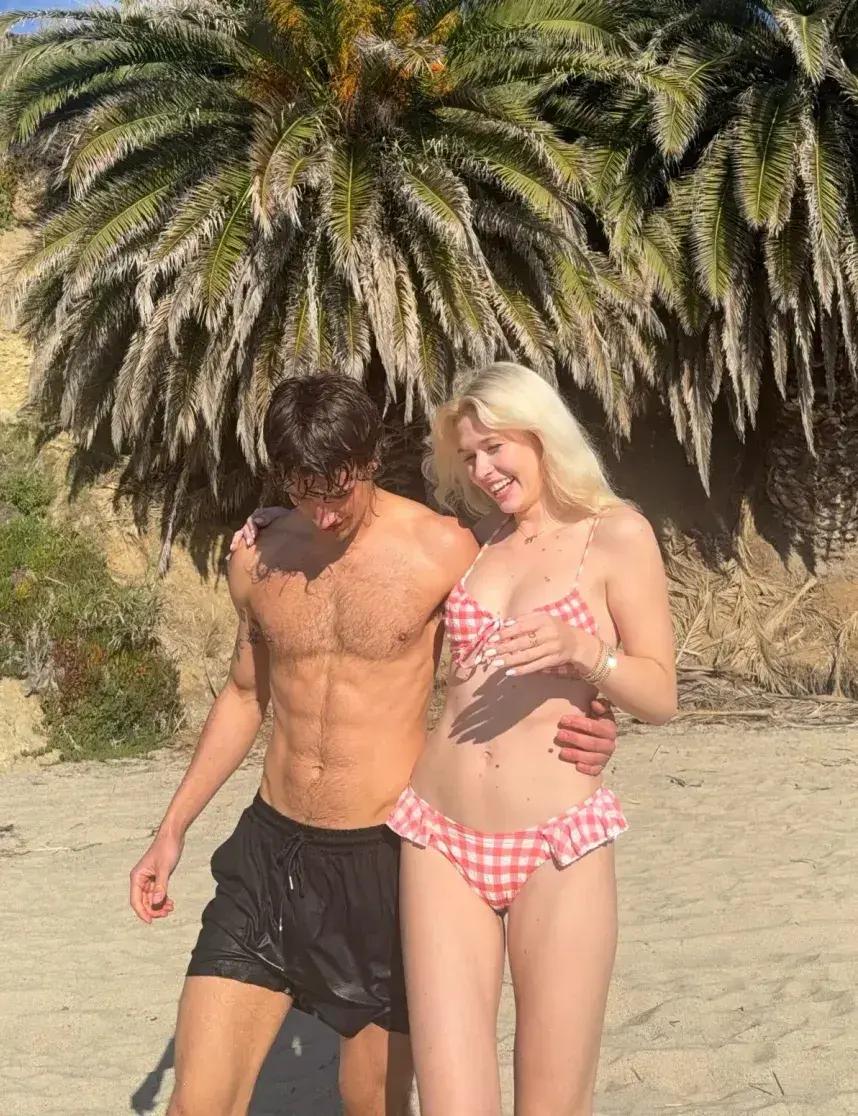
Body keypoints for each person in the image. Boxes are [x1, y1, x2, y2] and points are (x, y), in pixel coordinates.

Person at [128, 373, 619, 1116]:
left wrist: (595, 718)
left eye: (339, 491)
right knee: (197, 1104)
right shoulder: (259, 555)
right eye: (304, 493)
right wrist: (171, 829)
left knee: (371, 1103)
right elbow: (244, 696)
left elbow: (533, 614)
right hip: (270, 856)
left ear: (370, 461)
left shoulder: (445, 549)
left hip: (385, 859)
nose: (324, 514)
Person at [388, 362, 677, 1116]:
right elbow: (370, 530)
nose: (483, 470)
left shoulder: (617, 535)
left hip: (558, 844)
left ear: (541, 434)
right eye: (469, 457)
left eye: (495, 447)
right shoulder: (476, 544)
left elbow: (660, 694)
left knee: (553, 1102)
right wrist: (280, 514)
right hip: (440, 837)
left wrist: (586, 654)